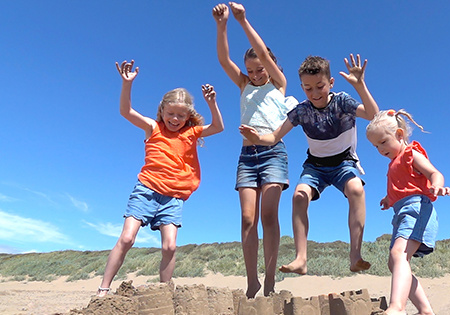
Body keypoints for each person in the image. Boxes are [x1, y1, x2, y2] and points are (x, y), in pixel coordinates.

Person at [240, 54, 378, 275]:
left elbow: (373, 115)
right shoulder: (302, 110)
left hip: (343, 161)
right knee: (299, 196)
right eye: (307, 88)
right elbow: (275, 137)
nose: (314, 93)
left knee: (356, 189)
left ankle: (355, 255)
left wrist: (360, 85)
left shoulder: (342, 101)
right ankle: (301, 259)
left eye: (319, 86)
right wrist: (257, 139)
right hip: (315, 165)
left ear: (330, 83)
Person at [96, 60, 224, 297]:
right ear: (162, 111)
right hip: (146, 190)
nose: (175, 119)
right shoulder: (153, 128)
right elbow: (126, 112)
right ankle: (103, 289)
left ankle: (165, 292)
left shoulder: (190, 133)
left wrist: (212, 103)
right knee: (126, 239)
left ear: (188, 117)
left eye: (181, 116)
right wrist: (127, 84)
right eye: (171, 114)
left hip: (173, 198)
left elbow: (218, 127)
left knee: (170, 246)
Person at [212, 2, 296, 298]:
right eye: (250, 70)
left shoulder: (279, 85)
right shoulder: (245, 85)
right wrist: (222, 25)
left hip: (274, 154)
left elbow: (260, 51)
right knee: (248, 219)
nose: (256, 73)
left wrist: (243, 21)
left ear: (270, 66)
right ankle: (252, 280)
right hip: (247, 158)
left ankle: (270, 278)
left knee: (269, 216)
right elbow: (224, 60)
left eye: (260, 68)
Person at [365, 109, 450, 315]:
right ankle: (425, 310)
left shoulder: (411, 154)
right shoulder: (393, 163)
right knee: (394, 262)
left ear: (400, 135)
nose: (379, 149)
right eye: (376, 146)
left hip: (417, 209)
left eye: (383, 142)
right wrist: (389, 199)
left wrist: (438, 185)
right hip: (401, 212)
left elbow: (434, 172)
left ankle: (397, 307)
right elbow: (402, 186)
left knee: (399, 255)